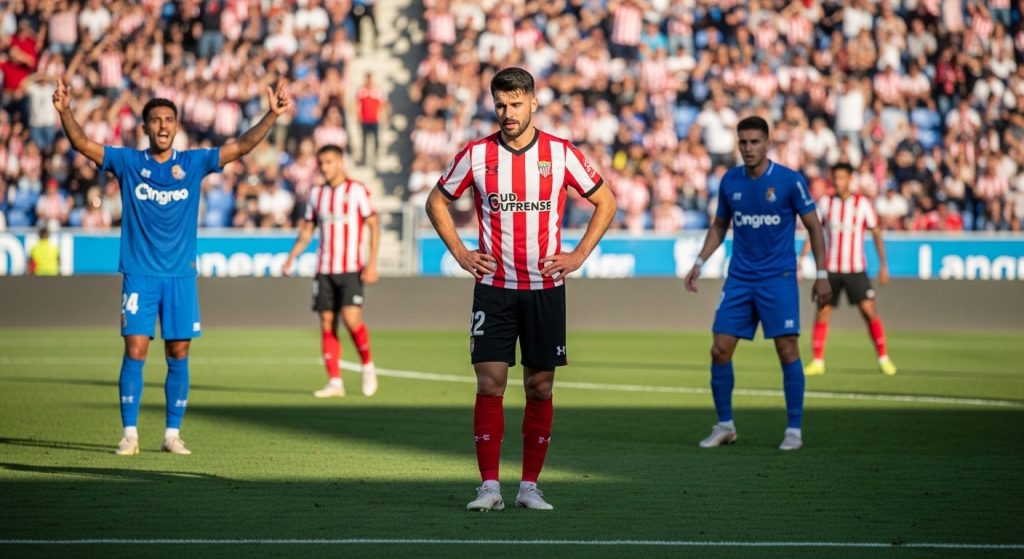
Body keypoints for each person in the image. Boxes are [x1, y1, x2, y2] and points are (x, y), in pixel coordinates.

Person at [52, 78, 292, 456]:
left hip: (181, 277)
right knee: (135, 350)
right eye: (156, 120)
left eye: (169, 119)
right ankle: (129, 434)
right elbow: (83, 144)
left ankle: (171, 435)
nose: (163, 125)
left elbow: (243, 146)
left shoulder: (193, 162)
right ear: (145, 127)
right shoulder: (129, 162)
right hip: (140, 275)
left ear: (177, 126)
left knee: (178, 353)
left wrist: (272, 115)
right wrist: (65, 111)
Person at [425, 67, 617, 511]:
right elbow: (436, 200)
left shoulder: (561, 153)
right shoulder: (475, 155)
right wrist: (460, 252)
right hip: (493, 287)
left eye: (515, 103)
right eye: (500, 104)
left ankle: (529, 486)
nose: (507, 113)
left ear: (533, 102)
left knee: (540, 386)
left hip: (545, 288)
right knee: (490, 382)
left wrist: (578, 256)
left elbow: (606, 200)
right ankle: (489, 487)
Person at [684, 116, 830, 452]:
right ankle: (725, 426)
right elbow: (720, 226)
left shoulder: (789, 181)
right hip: (739, 278)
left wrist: (822, 275)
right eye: (744, 142)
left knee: (787, 349)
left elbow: (815, 227)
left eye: (755, 142)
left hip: (777, 278)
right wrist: (699, 262)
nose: (749, 148)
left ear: (767, 143)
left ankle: (794, 429)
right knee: (719, 349)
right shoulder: (730, 181)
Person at [283, 144, 380, 398]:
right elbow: (307, 230)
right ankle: (335, 381)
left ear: (340, 163)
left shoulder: (356, 190)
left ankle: (368, 366)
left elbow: (373, 223)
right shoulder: (316, 194)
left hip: (350, 269)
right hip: (324, 269)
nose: (324, 167)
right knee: (327, 323)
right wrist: (291, 257)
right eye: (321, 163)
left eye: (328, 162)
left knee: (351, 319)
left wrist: (372, 262)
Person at [802, 163, 897, 376]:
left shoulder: (862, 204)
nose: (838, 182)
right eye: (835, 178)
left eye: (843, 178)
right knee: (822, 313)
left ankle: (883, 358)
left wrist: (883, 265)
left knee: (869, 311)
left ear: (850, 179)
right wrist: (801, 258)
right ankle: (818, 361)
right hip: (831, 268)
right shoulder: (826, 203)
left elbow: (876, 234)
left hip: (855, 269)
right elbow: (815, 233)